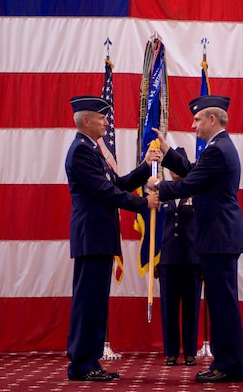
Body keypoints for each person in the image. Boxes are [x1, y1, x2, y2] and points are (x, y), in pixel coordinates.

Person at [147, 95, 243, 383]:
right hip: (218, 237)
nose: (193, 125)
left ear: (211, 119)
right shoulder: (219, 147)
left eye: (197, 119)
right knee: (219, 302)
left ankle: (228, 366)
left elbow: (190, 183)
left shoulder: (217, 150)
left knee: (222, 303)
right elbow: (194, 174)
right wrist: (168, 153)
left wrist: (158, 185)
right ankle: (226, 362)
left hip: (219, 237)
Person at [65, 95, 160, 382]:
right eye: (101, 117)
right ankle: (82, 364)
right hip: (92, 236)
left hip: (99, 237)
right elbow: (104, 192)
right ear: (85, 121)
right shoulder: (82, 151)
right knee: (88, 302)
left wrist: (145, 166)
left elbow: (117, 183)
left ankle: (88, 361)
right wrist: (145, 204)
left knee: (95, 302)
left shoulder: (93, 150)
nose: (106, 122)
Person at [156, 147, 202, 368]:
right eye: (171, 167)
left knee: (191, 307)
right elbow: (155, 232)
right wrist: (156, 259)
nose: (174, 171)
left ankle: (190, 352)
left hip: (192, 259)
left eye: (178, 165)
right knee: (169, 307)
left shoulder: (196, 192)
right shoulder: (162, 193)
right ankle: (172, 352)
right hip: (168, 259)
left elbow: (202, 228)